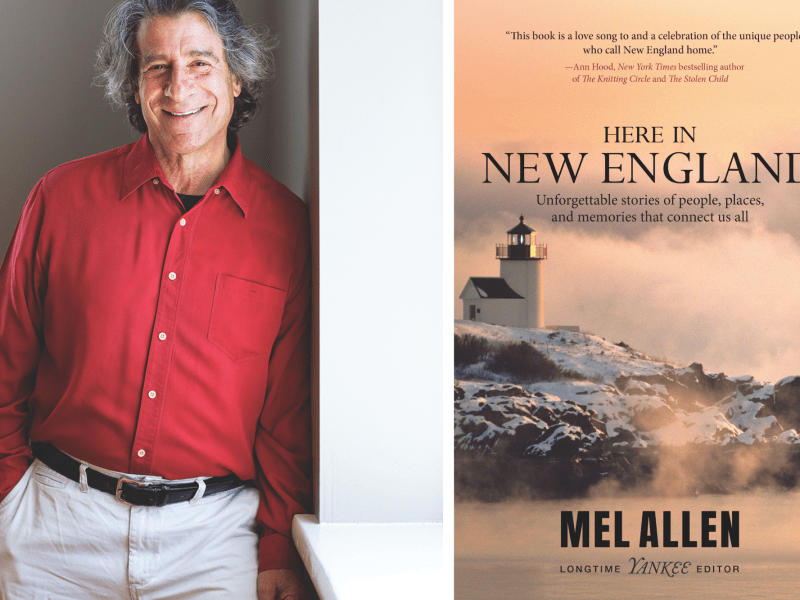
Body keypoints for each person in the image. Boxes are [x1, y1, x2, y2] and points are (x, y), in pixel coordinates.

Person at [0, 1, 311, 598]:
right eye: (157, 67)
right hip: (55, 531)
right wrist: (9, 496)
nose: (179, 87)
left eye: (200, 62)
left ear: (236, 76)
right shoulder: (60, 200)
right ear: (134, 83)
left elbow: (287, 419)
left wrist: (276, 547)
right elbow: (6, 361)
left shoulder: (286, 228)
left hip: (213, 539)